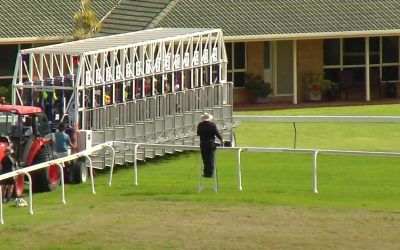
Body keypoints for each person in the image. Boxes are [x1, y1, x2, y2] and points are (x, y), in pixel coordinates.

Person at [196, 113, 222, 178]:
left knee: (205, 159)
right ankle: (210, 173)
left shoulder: (200, 125)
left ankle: (206, 173)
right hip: (210, 143)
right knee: (210, 158)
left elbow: (198, 133)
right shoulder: (212, 125)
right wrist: (221, 139)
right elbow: (217, 133)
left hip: (203, 143)